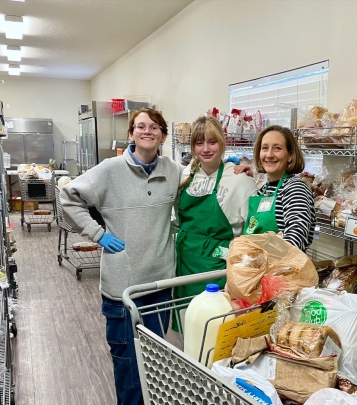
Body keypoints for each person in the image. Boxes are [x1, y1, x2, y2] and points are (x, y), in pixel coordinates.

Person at [60, 108, 182, 405]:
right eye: (140, 126)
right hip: (123, 288)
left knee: (154, 359)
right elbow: (68, 197)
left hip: (160, 285)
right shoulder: (109, 170)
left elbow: (198, 182)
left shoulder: (173, 170)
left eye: (155, 127)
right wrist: (98, 233)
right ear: (131, 134)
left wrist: (233, 166)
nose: (147, 131)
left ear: (163, 135)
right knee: (127, 363)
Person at [175, 116, 258, 301]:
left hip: (218, 268)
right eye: (199, 143)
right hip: (185, 262)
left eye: (212, 142)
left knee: (215, 322)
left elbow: (253, 234)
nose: (205, 149)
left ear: (222, 143)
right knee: (187, 323)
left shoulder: (240, 180)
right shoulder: (186, 174)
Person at [243, 125, 316, 251]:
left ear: (290, 155)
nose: (269, 155)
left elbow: (296, 238)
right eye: (265, 148)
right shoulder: (265, 189)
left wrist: (259, 259)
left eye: (277, 148)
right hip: (257, 267)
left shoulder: (295, 188)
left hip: (280, 268)